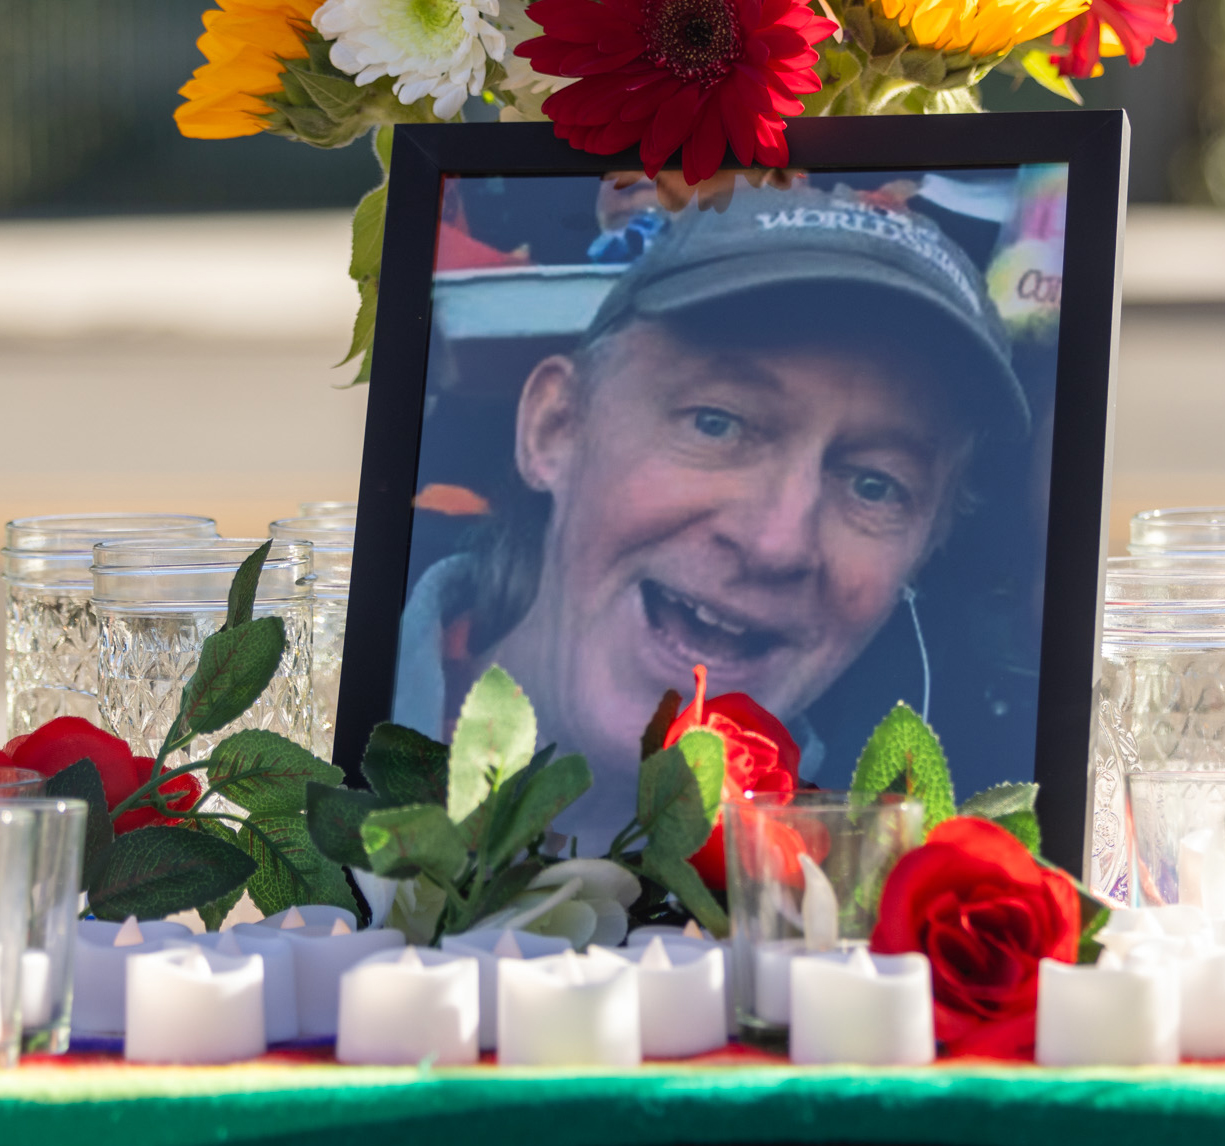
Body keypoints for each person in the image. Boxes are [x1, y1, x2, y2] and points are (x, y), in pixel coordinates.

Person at [393, 183, 1030, 847]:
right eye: (717, 423)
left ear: (922, 552)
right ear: (555, 429)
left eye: (874, 485)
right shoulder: (303, 729)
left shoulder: (915, 913)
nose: (776, 542)